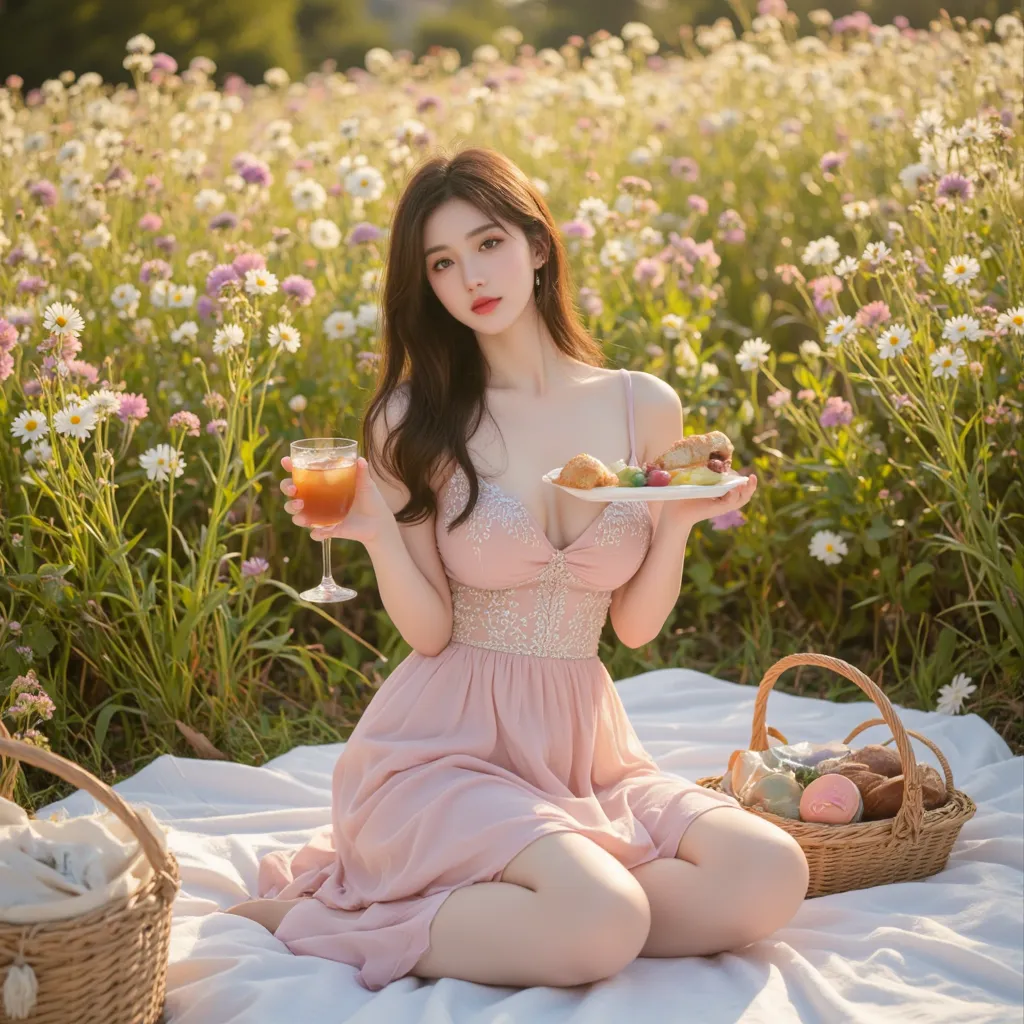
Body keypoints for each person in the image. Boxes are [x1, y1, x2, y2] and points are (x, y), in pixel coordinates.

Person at [227, 146, 808, 991]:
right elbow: (428, 634)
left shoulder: (640, 403)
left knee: (769, 874)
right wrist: (379, 534)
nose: (472, 276)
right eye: (442, 262)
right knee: (603, 918)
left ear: (538, 246)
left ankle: (559, 907)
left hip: (583, 749)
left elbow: (633, 627)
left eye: (488, 243)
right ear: (426, 284)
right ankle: (329, 917)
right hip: (445, 749)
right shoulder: (413, 419)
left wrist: (679, 519)